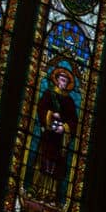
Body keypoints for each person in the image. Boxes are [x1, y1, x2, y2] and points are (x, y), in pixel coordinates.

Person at [29, 67, 79, 203]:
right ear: (56, 80)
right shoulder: (48, 94)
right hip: (48, 135)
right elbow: (40, 109)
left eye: (65, 81)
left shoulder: (69, 102)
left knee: (55, 167)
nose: (63, 83)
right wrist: (50, 115)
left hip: (59, 139)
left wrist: (64, 128)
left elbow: (74, 120)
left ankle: (50, 195)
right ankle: (35, 190)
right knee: (43, 162)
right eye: (61, 80)